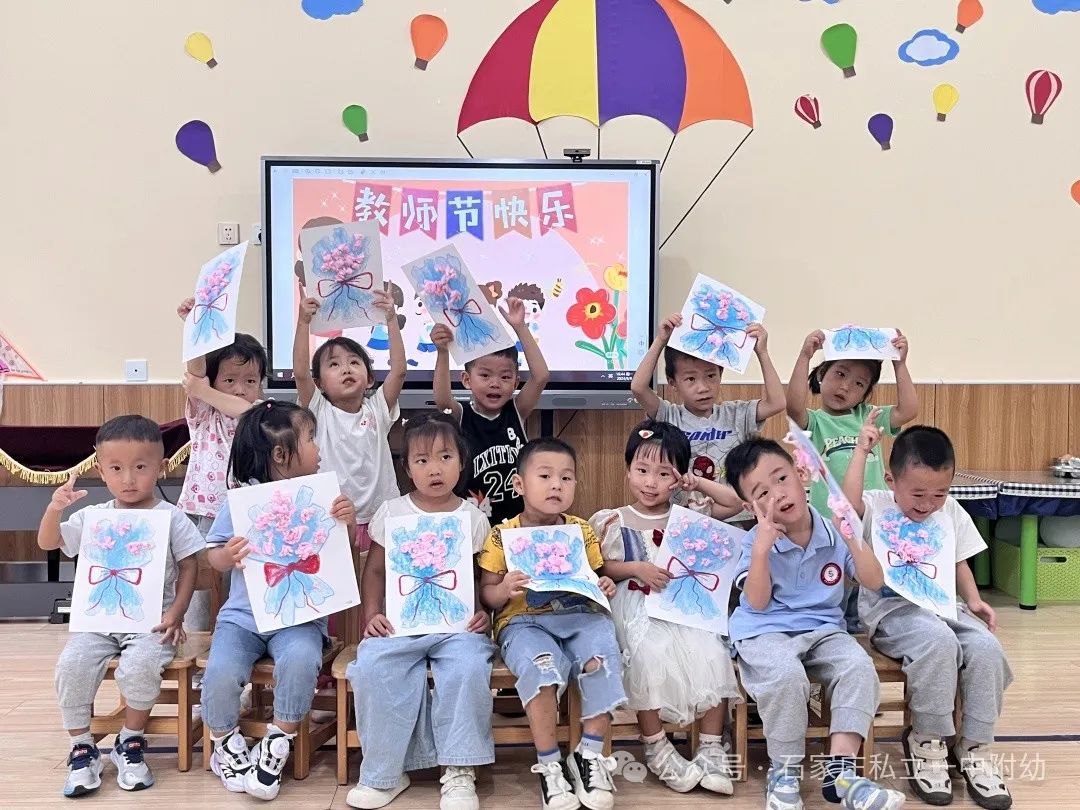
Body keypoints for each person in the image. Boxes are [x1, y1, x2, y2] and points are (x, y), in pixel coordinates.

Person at [725, 437, 906, 810]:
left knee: (858, 667)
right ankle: (784, 772)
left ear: (800, 474)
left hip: (824, 630)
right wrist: (761, 550)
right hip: (763, 630)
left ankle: (842, 773)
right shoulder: (754, 541)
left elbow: (874, 581)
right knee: (786, 675)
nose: (778, 494)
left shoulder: (832, 531)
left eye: (781, 478)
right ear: (749, 507)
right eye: (762, 493)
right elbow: (757, 602)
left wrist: (852, 536)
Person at [843, 421, 1013, 810]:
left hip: (945, 607)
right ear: (891, 480)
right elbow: (846, 506)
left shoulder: (949, 510)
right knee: (938, 643)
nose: (928, 504)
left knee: (986, 647)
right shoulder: (875, 505)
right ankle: (927, 739)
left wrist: (974, 601)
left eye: (939, 493)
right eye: (918, 493)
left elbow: (958, 561)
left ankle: (973, 745)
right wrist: (861, 451)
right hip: (892, 611)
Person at [41, 415, 204, 797]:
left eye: (141, 467)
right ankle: (82, 747)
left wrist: (176, 613)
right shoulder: (93, 516)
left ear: (162, 467)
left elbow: (190, 565)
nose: (129, 479)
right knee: (71, 665)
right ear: (100, 470)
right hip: (97, 622)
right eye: (116, 468)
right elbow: (49, 543)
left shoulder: (170, 516)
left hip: (152, 622)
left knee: (141, 666)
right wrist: (54, 509)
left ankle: (130, 740)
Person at [201, 401, 356, 801]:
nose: (318, 449)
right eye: (310, 439)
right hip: (242, 619)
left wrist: (347, 521)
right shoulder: (240, 501)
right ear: (281, 454)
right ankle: (224, 741)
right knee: (220, 671)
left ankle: (279, 739)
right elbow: (213, 555)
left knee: (302, 659)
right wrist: (227, 554)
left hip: (300, 618)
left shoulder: (322, 497)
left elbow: (342, 552)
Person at [345, 413, 495, 810]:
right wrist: (371, 614)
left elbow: (482, 577)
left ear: (462, 462)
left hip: (457, 628)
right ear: (408, 468)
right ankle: (385, 773)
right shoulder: (392, 512)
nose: (435, 469)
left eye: (445, 457)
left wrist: (483, 613)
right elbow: (374, 571)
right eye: (422, 460)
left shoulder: (473, 518)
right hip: (400, 625)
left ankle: (459, 769)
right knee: (372, 666)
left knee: (468, 667)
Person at [590, 420, 741, 795]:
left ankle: (710, 748)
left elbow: (735, 503)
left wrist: (697, 483)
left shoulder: (689, 515)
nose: (651, 482)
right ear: (627, 471)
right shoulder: (613, 519)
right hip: (634, 605)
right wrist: (635, 568)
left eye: (663, 473)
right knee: (648, 655)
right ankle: (656, 746)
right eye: (641, 470)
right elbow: (599, 566)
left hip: (681, 606)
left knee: (712, 651)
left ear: (678, 477)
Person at [479, 438, 624, 810]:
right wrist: (503, 589)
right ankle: (549, 765)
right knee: (542, 671)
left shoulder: (581, 530)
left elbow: (595, 576)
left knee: (603, 659)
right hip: (523, 622)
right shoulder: (501, 535)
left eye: (566, 477)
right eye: (545, 476)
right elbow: (487, 594)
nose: (556, 485)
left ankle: (589, 755)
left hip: (581, 616)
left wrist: (604, 584)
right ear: (519, 484)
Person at [787, 329, 917, 631]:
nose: (846, 386)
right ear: (821, 375)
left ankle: (867, 625)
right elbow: (793, 407)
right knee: (835, 580)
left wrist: (899, 364)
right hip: (831, 521)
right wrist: (805, 356)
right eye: (840, 374)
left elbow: (909, 409)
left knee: (869, 578)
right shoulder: (816, 421)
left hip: (872, 520)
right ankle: (835, 625)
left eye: (859, 383)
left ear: (866, 393)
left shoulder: (869, 417)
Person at [293, 285, 404, 551]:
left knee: (376, 577)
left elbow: (399, 371)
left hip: (382, 516)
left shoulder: (377, 408)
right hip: (335, 517)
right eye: (334, 364)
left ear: (370, 378)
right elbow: (300, 372)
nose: (346, 369)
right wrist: (303, 322)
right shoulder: (318, 410)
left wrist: (391, 319)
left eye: (354, 362)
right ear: (319, 384)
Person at [630, 312, 785, 487]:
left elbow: (777, 403)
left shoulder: (736, 414)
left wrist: (762, 353)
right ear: (673, 382)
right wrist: (660, 340)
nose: (703, 387)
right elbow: (638, 387)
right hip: (683, 504)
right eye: (691, 379)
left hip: (731, 505)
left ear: (721, 374)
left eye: (711, 375)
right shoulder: (668, 416)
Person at [432, 296, 550, 525]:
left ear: (516, 382)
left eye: (505, 377)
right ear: (466, 380)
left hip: (516, 522)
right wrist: (443, 352)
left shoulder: (516, 410)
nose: (495, 383)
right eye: (485, 375)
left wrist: (520, 327)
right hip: (474, 524)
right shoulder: (462, 415)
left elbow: (541, 376)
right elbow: (443, 401)